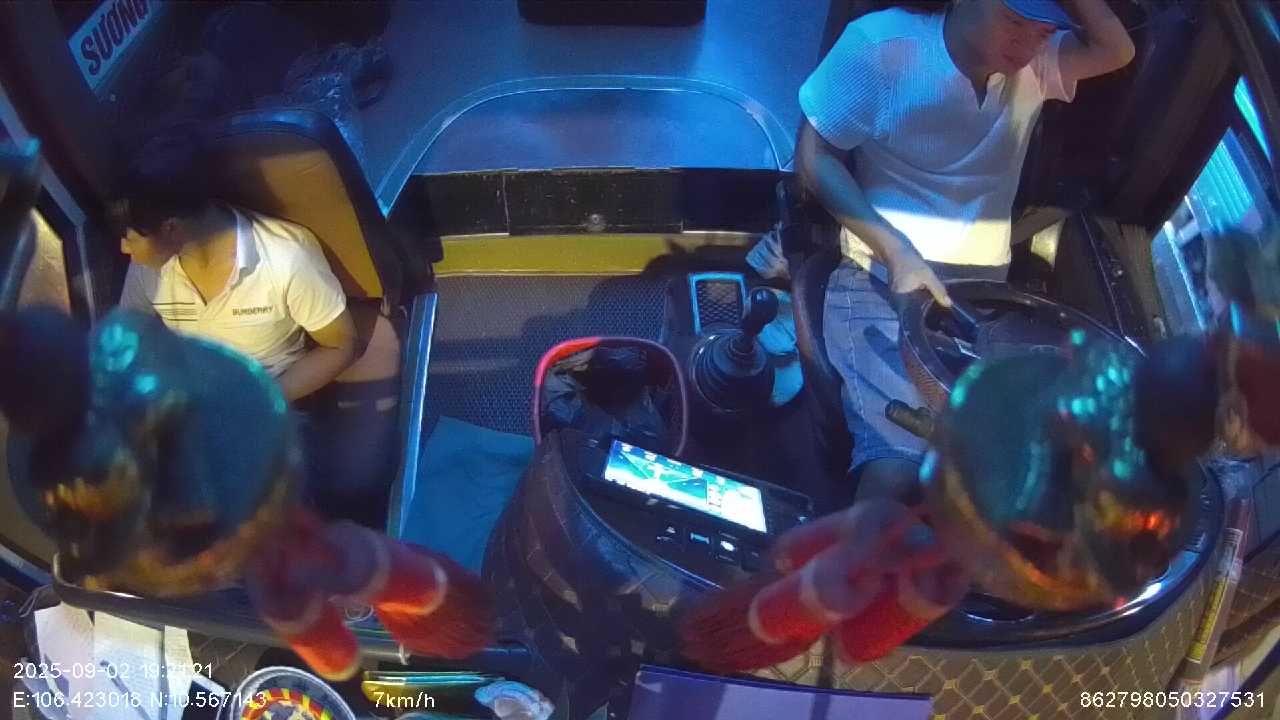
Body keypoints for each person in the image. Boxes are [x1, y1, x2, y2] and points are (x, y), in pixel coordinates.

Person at [795, 0, 1135, 501]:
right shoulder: (883, 48)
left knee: (1035, 472)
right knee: (898, 467)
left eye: (1043, 32)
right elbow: (813, 155)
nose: (1027, 43)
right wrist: (895, 250)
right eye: (1014, 21)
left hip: (984, 298)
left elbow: (1116, 49)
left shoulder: (1039, 64)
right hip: (881, 279)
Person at [115, 133, 357, 403]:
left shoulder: (285, 257)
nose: (124, 248)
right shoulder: (148, 266)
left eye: (130, 238)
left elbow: (340, 345)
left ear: (171, 228)